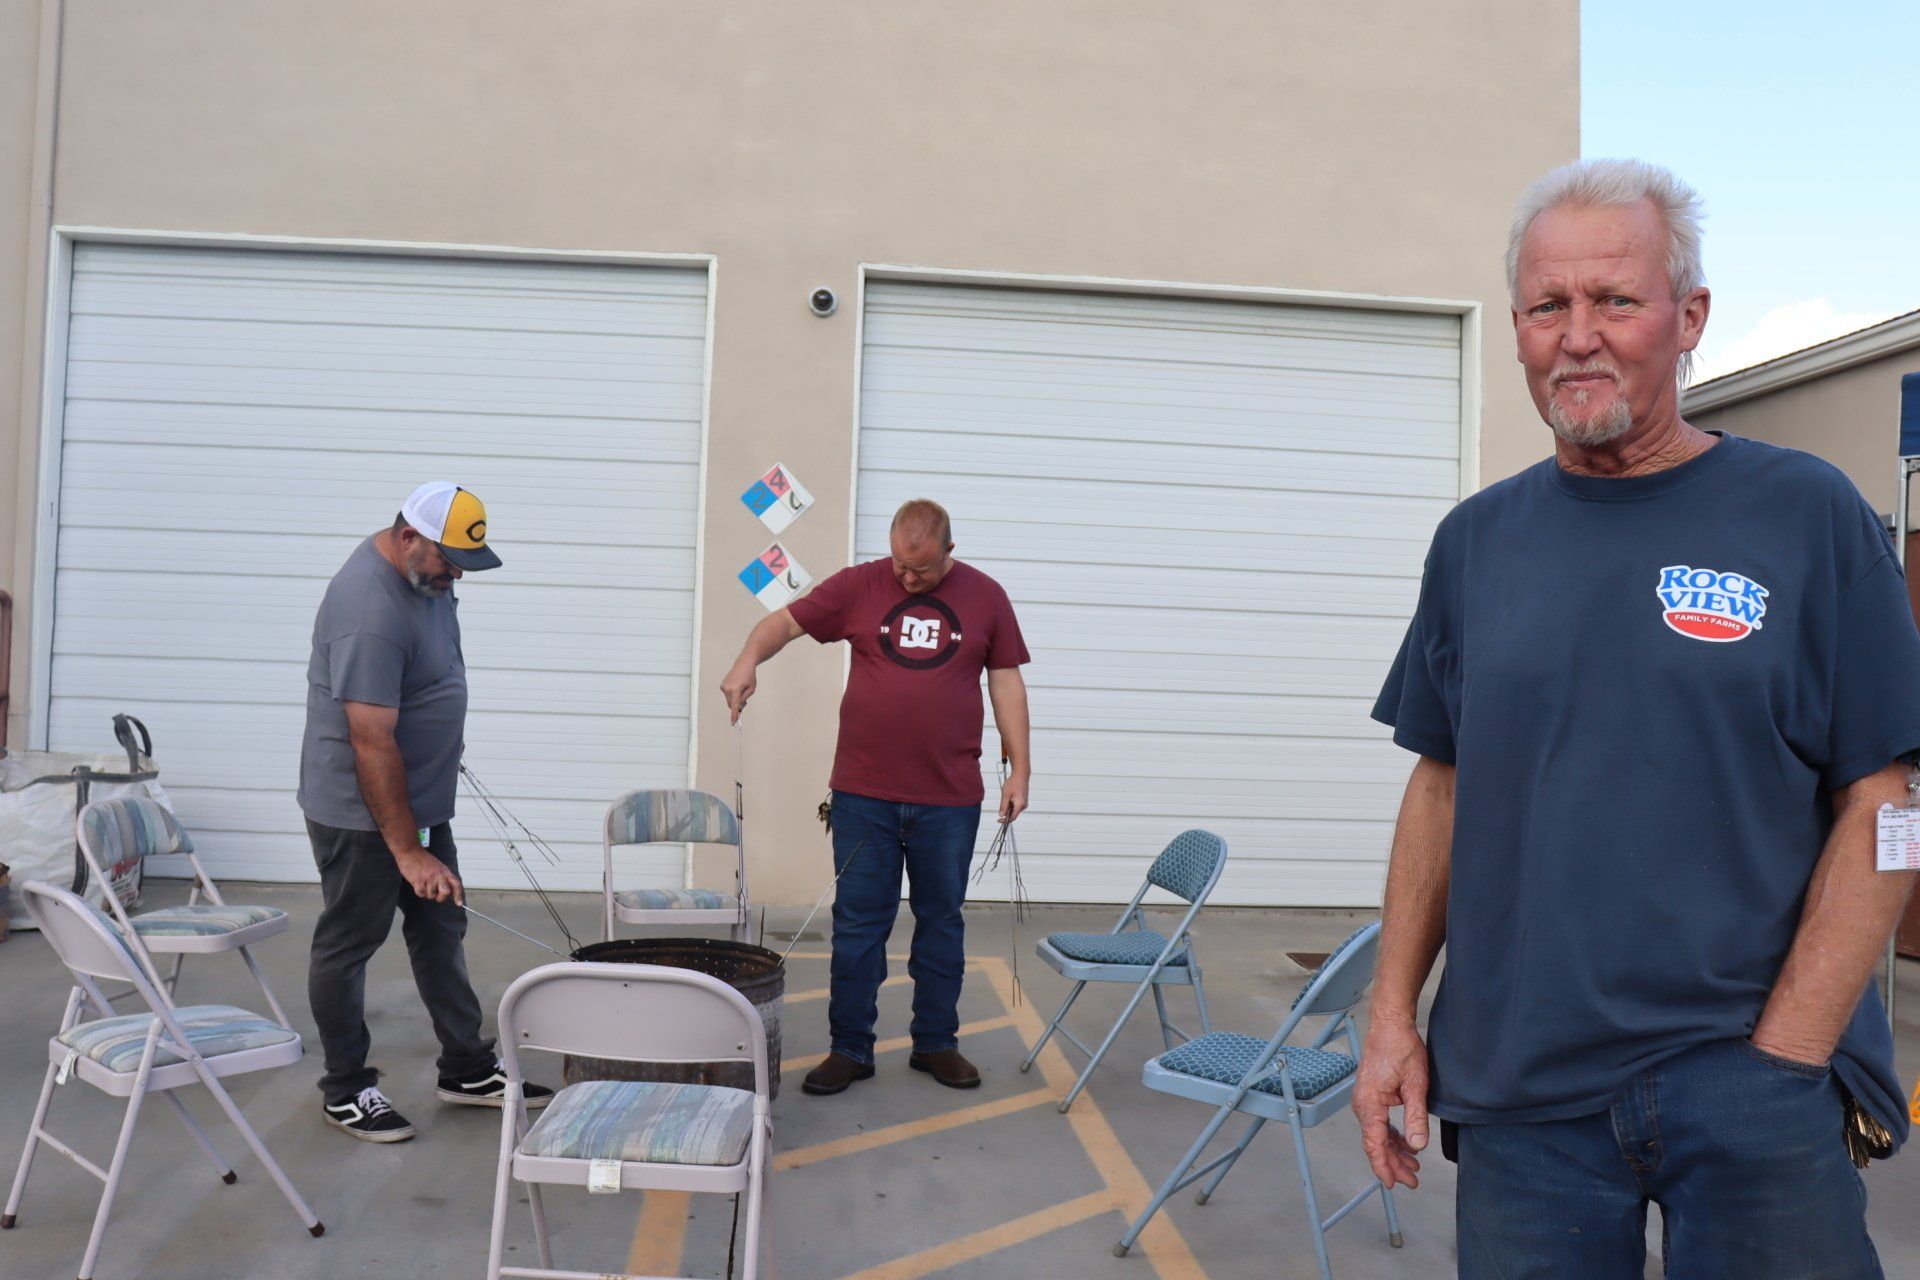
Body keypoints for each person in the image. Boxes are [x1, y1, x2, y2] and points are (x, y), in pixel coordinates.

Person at [1354, 158, 1920, 1278]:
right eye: (1547, 306)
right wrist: (1390, 1016)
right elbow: (1442, 784)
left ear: (1689, 315)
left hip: (1750, 1079)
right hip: (1522, 1093)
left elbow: (1889, 800)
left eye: (1615, 300)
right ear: (1517, 325)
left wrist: (1788, 1054)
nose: (1578, 336)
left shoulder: (1808, 515)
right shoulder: (1476, 543)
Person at [721, 498, 1032, 1095]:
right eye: (899, 565)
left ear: (949, 551)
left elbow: (1005, 679)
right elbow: (782, 623)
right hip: (865, 795)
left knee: (941, 922)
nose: (907, 579)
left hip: (949, 798)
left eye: (920, 569)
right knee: (859, 924)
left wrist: (1019, 769)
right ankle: (851, 1049)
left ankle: (936, 1043)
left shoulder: (986, 595)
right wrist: (746, 661)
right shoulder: (861, 584)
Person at [299, 481, 551, 1142]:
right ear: (409, 536)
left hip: (422, 803)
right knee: (349, 943)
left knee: (442, 928)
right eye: (449, 559)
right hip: (363, 815)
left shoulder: (425, 579)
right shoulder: (367, 607)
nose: (457, 574)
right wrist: (407, 851)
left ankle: (465, 1068)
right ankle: (346, 1089)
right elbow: (369, 739)